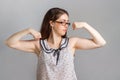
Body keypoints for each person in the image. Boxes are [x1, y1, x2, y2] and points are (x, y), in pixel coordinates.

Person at [5, 7, 106, 80]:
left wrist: (85, 25)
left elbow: (101, 42)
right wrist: (28, 30)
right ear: (52, 23)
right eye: (62, 22)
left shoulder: (71, 43)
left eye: (67, 22)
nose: (66, 26)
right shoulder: (39, 45)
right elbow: (10, 42)